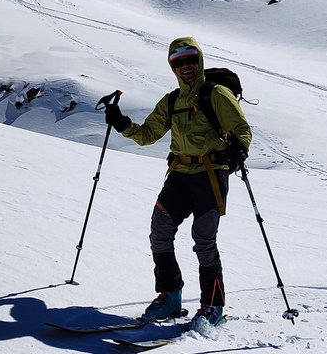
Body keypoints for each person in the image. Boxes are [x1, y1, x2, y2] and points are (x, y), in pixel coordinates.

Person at [105, 37, 252, 330]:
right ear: (172, 66)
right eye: (178, 62)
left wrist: (235, 154)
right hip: (180, 173)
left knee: (203, 239)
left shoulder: (217, 93)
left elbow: (242, 131)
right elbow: (148, 134)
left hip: (211, 174)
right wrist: (123, 124)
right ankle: (171, 296)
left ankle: (213, 306)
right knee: (160, 229)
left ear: (199, 60)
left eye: (190, 60)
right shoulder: (172, 100)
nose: (185, 66)